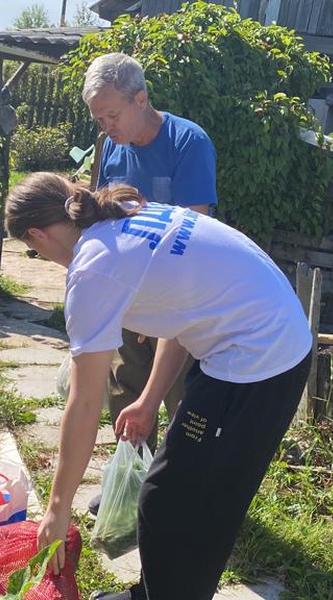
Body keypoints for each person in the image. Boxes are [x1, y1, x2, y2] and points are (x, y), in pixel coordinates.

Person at [5, 172, 312, 600]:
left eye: (33, 250)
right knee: (172, 497)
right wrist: (149, 400)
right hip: (253, 340)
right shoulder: (127, 217)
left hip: (259, 361)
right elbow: (183, 309)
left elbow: (85, 399)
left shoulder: (94, 268)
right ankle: (155, 592)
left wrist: (57, 510)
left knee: (185, 503)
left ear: (37, 234)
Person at [82, 51, 218, 455]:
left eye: (113, 115)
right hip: (127, 288)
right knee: (126, 384)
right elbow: (104, 215)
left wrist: (158, 305)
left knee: (178, 394)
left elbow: (194, 236)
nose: (107, 128)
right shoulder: (110, 146)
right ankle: (129, 477)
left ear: (140, 99)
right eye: (99, 119)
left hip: (178, 294)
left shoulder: (187, 142)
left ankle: (176, 485)